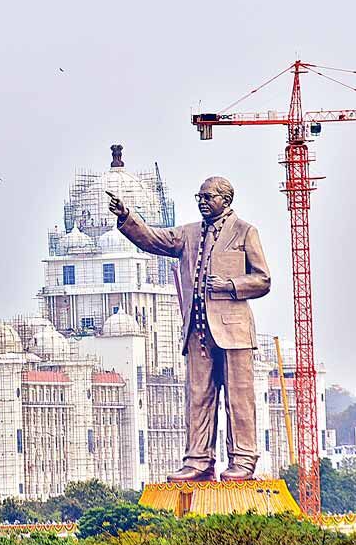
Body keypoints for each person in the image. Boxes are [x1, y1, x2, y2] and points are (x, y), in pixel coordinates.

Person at [108, 176, 271, 482]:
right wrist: (127, 217)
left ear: (226, 199)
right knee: (198, 396)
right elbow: (153, 239)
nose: (203, 201)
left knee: (239, 398)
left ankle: (243, 460)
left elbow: (263, 279)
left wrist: (231, 285)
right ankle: (198, 461)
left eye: (209, 197)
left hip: (234, 332)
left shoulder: (245, 232)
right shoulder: (188, 233)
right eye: (200, 196)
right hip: (197, 330)